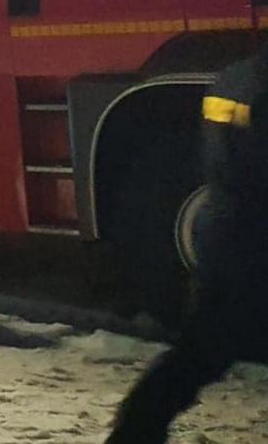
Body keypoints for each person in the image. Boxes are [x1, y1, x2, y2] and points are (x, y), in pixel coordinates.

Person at [106, 47, 268, 443]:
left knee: (196, 357)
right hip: (256, 250)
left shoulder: (233, 75)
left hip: (225, 243)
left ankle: (132, 434)